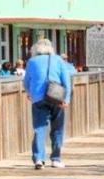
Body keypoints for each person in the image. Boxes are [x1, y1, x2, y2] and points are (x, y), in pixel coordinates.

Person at [22, 38, 72, 169]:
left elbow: (26, 82)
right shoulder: (58, 60)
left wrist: (30, 93)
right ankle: (56, 159)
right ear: (51, 48)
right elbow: (66, 81)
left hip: (38, 98)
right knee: (57, 129)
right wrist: (66, 99)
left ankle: (39, 159)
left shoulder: (31, 62)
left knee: (39, 128)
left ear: (36, 49)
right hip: (56, 97)